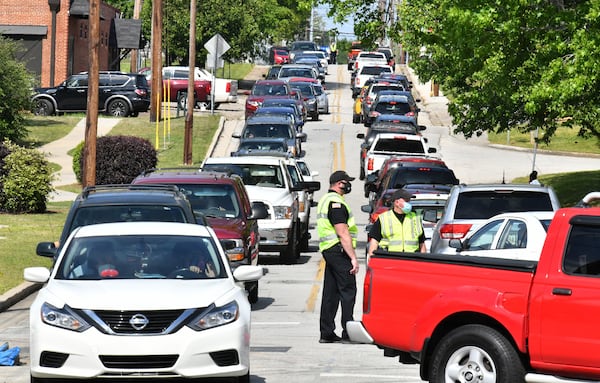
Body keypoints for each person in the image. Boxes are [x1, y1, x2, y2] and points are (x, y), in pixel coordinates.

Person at [316, 170, 360, 343]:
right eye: (346, 182)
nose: (348, 185)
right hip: (339, 250)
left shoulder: (326, 199)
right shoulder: (336, 203)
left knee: (331, 292)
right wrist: (353, 258)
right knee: (348, 290)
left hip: (329, 250)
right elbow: (343, 232)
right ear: (339, 184)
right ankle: (348, 331)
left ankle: (326, 332)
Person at [367, 189, 427, 259]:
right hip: (390, 259)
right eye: (406, 201)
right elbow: (374, 242)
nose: (409, 204)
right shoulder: (384, 218)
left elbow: (422, 243)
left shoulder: (415, 218)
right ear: (397, 202)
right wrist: (372, 260)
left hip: (412, 259)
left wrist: (423, 259)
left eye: (409, 201)